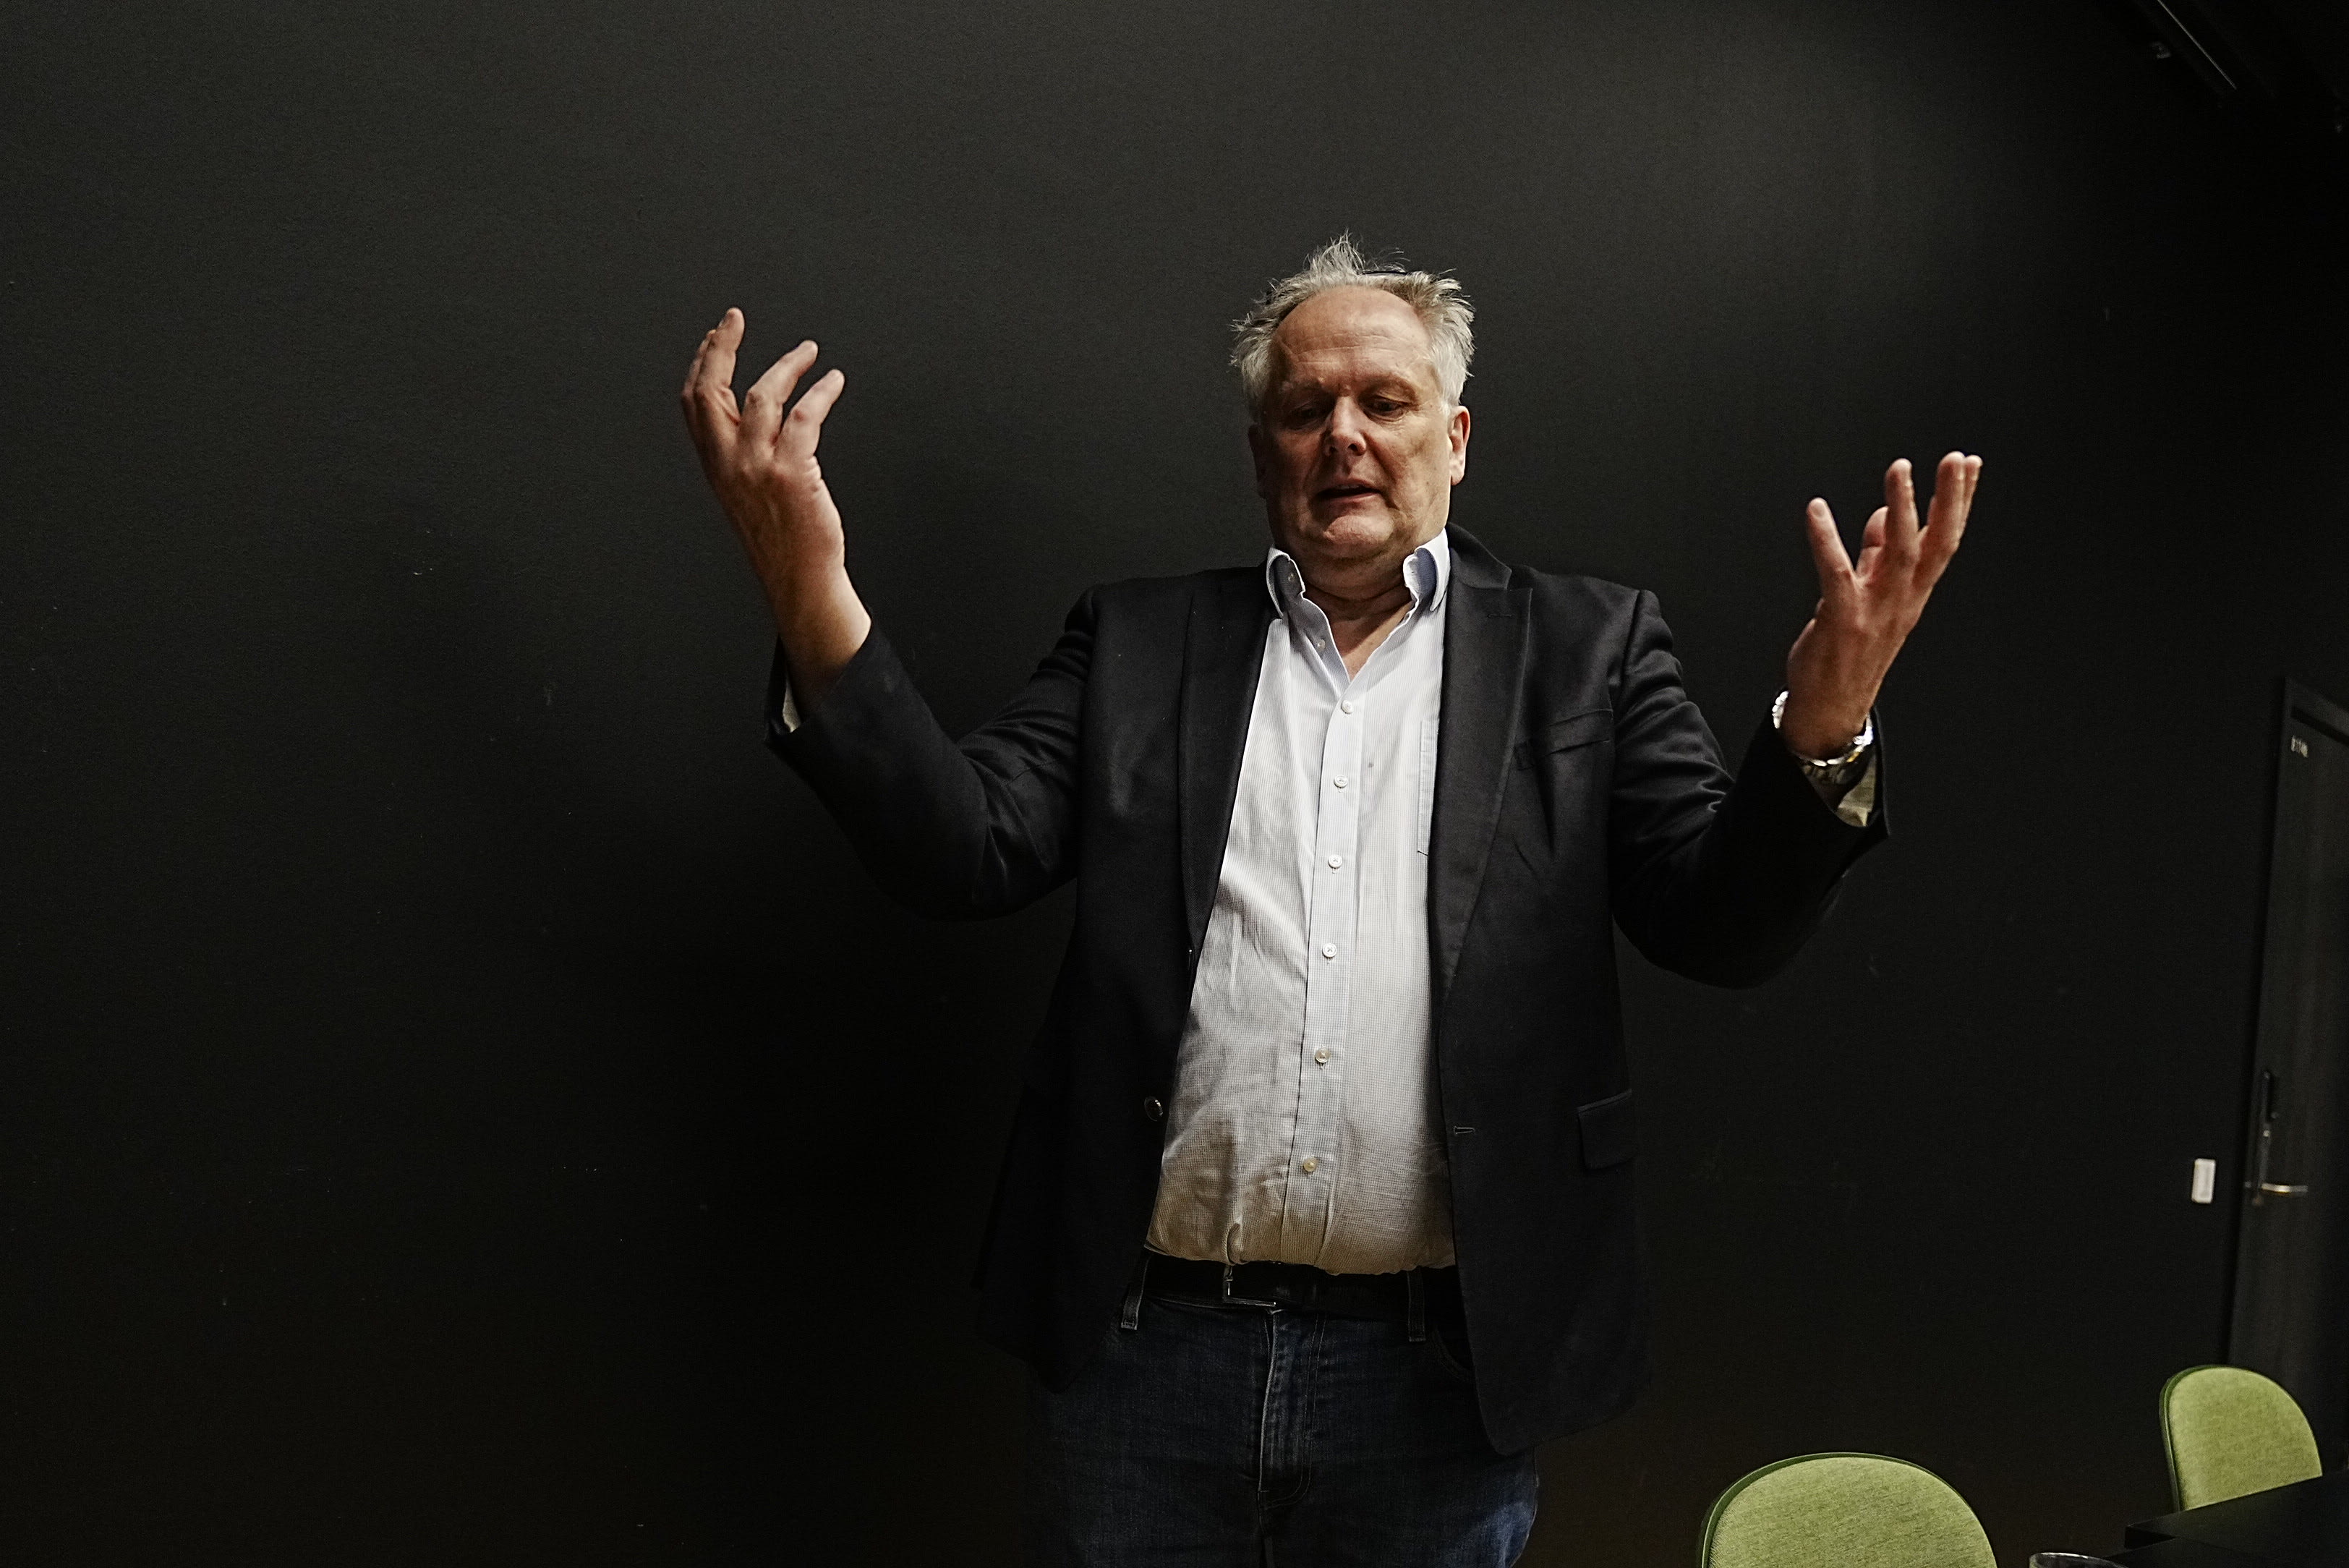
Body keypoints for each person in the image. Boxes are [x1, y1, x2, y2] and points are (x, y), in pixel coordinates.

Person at [680, 238, 1979, 1567]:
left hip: (1441, 1377)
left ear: (1454, 439)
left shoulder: (1587, 651)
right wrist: (808, 587)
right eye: (1305, 409)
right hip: (1143, 1359)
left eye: (1385, 401)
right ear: (1264, 456)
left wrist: (1825, 722)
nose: (1343, 435)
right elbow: (961, 849)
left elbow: (1719, 926)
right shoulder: (1137, 643)